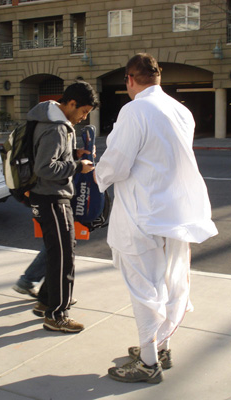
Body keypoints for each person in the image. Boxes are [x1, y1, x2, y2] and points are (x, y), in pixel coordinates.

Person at [95, 53, 218, 384]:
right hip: (177, 213)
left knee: (144, 288)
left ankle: (148, 364)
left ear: (130, 80)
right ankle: (161, 346)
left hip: (143, 214)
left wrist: (97, 175)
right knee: (170, 283)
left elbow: (117, 162)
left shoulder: (135, 110)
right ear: (158, 78)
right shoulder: (182, 111)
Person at [26, 81, 99, 333]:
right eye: (83, 111)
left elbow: (48, 157)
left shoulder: (47, 117)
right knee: (64, 256)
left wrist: (72, 154)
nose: (84, 117)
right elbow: (45, 167)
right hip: (52, 198)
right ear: (70, 103)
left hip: (46, 196)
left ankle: (47, 301)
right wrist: (78, 166)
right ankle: (57, 315)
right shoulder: (56, 128)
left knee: (58, 251)